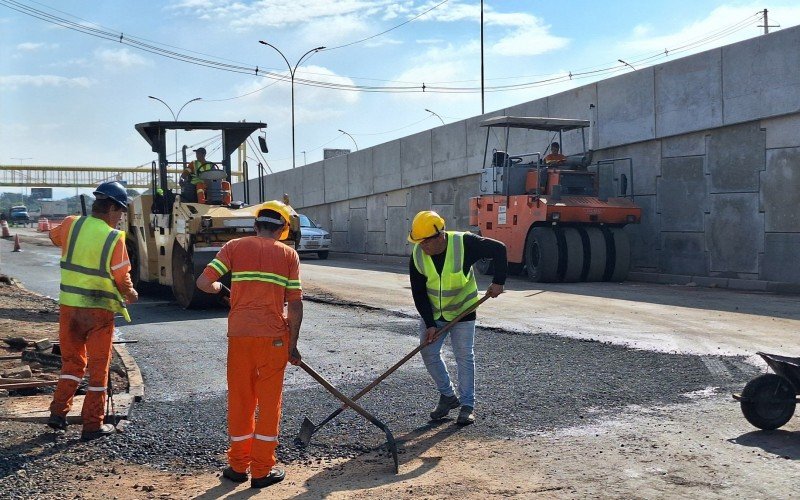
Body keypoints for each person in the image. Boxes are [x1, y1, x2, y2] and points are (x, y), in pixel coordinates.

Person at [196, 200, 303, 489]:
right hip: (273, 339)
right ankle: (261, 471)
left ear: (255, 226)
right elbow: (295, 304)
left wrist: (220, 287)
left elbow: (204, 284)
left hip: (239, 336)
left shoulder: (233, 247)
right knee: (269, 404)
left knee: (241, 400)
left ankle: (237, 466)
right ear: (281, 230)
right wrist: (293, 345)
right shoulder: (288, 254)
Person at [46, 181, 138, 441]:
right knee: (99, 369)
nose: (120, 218)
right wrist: (130, 295)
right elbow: (122, 278)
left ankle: (58, 413)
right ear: (110, 208)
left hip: (69, 309)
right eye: (119, 212)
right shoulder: (113, 237)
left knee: (72, 363)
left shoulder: (70, 224)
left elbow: (54, 238)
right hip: (99, 313)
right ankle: (92, 425)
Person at [408, 210, 506, 426]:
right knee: (428, 353)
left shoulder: (465, 243)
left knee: (464, 356)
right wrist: (430, 324)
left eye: (425, 242)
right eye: (418, 242)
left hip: (464, 310)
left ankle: (467, 406)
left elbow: (499, 249)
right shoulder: (417, 255)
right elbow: (419, 292)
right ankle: (447, 396)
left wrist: (498, 281)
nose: (421, 247)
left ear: (439, 236)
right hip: (434, 312)